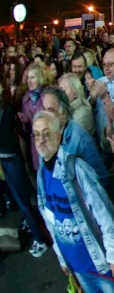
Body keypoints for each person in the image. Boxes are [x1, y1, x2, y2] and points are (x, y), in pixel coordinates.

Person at [33, 111, 114, 293]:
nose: (41, 140)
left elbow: (104, 212)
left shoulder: (76, 169)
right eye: (36, 135)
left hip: (99, 262)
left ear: (58, 137)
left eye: (46, 134)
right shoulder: (41, 173)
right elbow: (50, 220)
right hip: (76, 265)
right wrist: (61, 257)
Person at [0, 78, 50, 257]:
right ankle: (40, 230)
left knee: (24, 200)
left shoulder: (9, 109)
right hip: (5, 160)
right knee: (23, 199)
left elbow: (12, 132)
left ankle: (41, 239)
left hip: (13, 158)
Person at [40, 87, 111, 190]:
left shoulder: (80, 140)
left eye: (50, 110)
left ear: (63, 114)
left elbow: (101, 180)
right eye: (43, 109)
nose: (44, 115)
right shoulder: (45, 135)